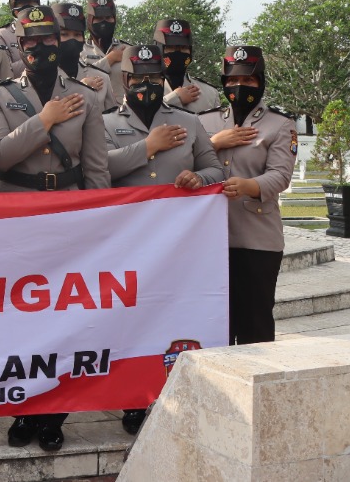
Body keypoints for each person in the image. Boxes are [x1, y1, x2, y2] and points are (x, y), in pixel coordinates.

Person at [0, 4, 110, 453]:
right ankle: (23, 408)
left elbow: (95, 167)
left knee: (65, 320)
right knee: (19, 319)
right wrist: (47, 119)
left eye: (48, 38)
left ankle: (55, 413)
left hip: (67, 216)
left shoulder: (87, 96)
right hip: (14, 214)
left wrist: (99, 224)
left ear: (60, 42)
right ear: (19, 44)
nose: (40, 46)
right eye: (31, 39)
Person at [102, 43, 223, 434]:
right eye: (139, 78)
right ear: (125, 80)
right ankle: (130, 402)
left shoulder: (188, 122)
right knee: (126, 324)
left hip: (175, 247)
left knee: (164, 323)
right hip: (125, 245)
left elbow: (214, 168)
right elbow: (99, 170)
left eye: (154, 78)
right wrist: (148, 146)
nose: (147, 85)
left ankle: (164, 395)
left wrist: (197, 179)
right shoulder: (104, 122)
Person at [199, 46, 296, 346]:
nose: (239, 87)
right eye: (232, 81)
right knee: (216, 325)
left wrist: (247, 186)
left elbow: (280, 175)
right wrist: (215, 142)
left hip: (258, 239)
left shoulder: (280, 124)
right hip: (209, 240)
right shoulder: (204, 122)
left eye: (249, 81)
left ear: (261, 82)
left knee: (255, 324)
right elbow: (187, 164)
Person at [53, 2, 118, 111]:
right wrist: (81, 87)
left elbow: (111, 120)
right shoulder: (43, 78)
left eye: (77, 35)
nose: (72, 40)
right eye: (64, 34)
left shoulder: (101, 78)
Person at [154, 18, 221, 113]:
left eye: (183, 48)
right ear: (159, 50)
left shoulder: (210, 94)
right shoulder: (143, 90)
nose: (177, 53)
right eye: (170, 48)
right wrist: (174, 99)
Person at [0, 0, 42, 73]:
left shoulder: (51, 32)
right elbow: (5, 71)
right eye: (22, 3)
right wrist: (38, 56)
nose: (27, 7)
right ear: (13, 7)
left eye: (31, 2)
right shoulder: (1, 35)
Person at [84, 0, 118, 67]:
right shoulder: (79, 50)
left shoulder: (126, 50)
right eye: (99, 18)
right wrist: (110, 59)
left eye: (108, 17)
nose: (104, 22)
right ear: (90, 21)